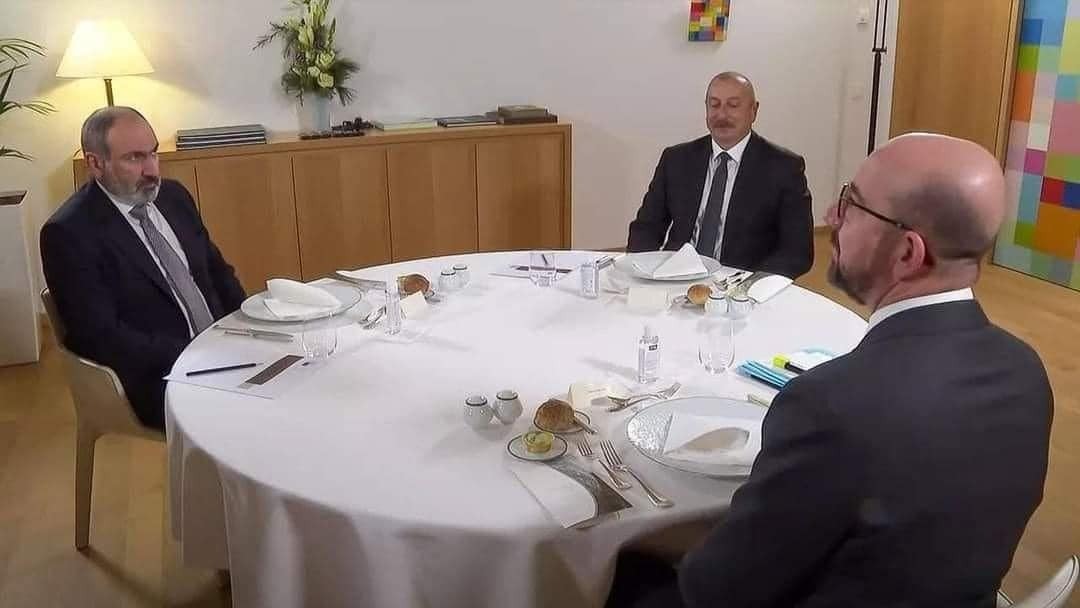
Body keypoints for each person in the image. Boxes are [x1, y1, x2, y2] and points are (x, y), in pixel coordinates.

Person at [608, 133, 1053, 607]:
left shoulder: (833, 404)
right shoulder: (1026, 372)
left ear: (908, 253)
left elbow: (715, 589)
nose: (831, 217)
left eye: (851, 205)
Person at [41, 107, 245, 431]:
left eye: (153, 153)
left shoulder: (174, 197)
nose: (152, 170)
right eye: (134, 158)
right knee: (259, 415)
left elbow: (217, 272)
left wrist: (248, 330)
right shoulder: (69, 233)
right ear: (96, 164)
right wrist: (198, 354)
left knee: (302, 378)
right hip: (156, 377)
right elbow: (101, 337)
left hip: (224, 353)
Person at [625, 72, 814, 279]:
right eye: (714, 105)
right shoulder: (676, 159)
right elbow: (646, 228)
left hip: (741, 284)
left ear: (753, 110)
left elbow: (797, 252)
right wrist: (642, 272)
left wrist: (747, 284)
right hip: (676, 276)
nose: (721, 115)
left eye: (733, 105)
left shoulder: (784, 168)